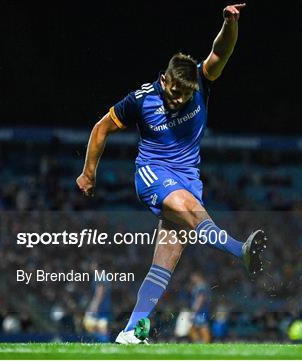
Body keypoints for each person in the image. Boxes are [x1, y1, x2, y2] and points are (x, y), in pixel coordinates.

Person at [76, 3, 267, 344]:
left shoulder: (199, 81)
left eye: (186, 94)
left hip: (188, 177)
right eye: (174, 92)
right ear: (164, 80)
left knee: (165, 262)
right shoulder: (140, 99)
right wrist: (89, 174)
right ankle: (241, 250)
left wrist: (230, 23)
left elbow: (220, 51)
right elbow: (101, 128)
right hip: (153, 174)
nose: (179, 98)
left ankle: (131, 331)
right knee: (195, 214)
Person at [189, 272, 211, 343]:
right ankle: (200, 342)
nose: (192, 279)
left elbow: (200, 298)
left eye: (193, 277)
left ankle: (205, 343)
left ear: (198, 276)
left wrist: (195, 309)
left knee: (203, 327)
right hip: (201, 310)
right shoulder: (200, 286)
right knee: (194, 328)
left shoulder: (201, 286)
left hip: (201, 311)